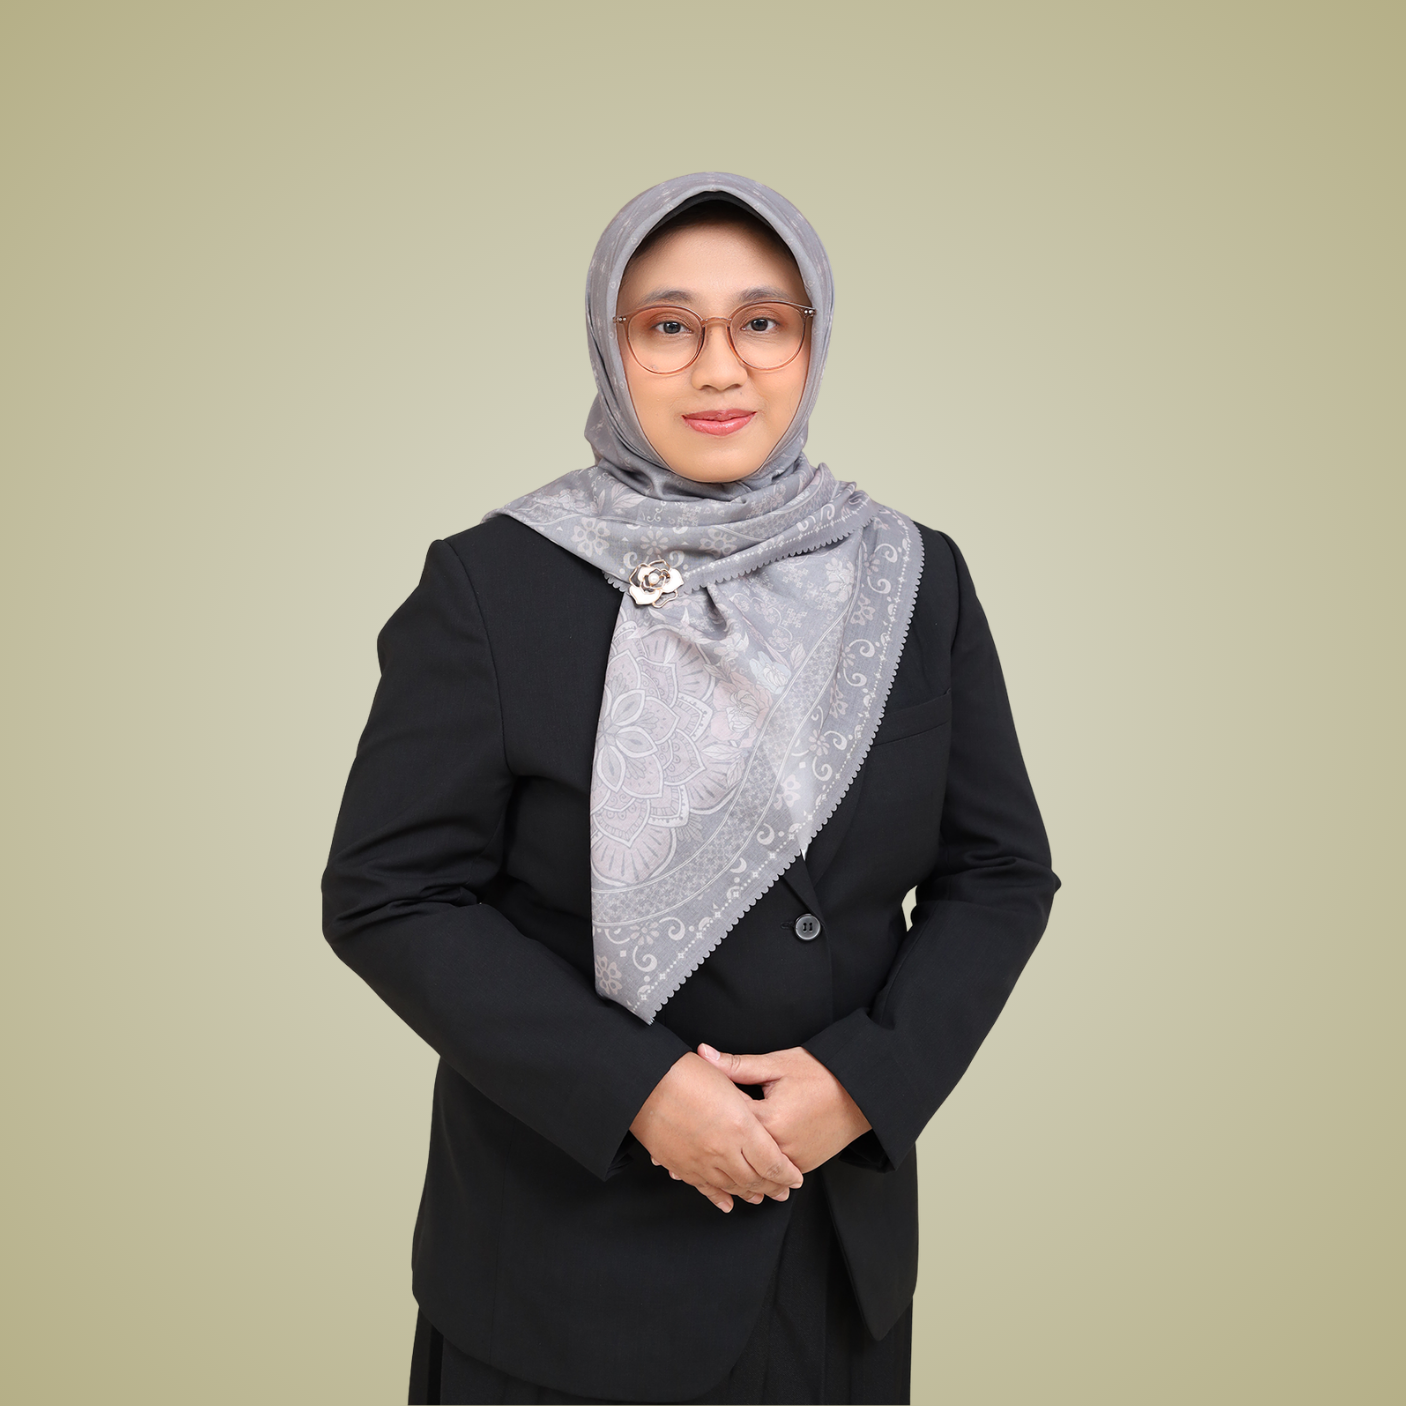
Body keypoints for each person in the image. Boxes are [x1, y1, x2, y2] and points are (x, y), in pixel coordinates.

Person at [322, 172, 1058, 1405]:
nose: (721, 367)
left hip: (828, 1261)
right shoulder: (494, 585)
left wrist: (865, 1082)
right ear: (611, 347)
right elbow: (390, 893)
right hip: (561, 1270)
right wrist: (639, 1093)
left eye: (762, 322)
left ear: (810, 340)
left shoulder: (910, 575)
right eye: (669, 325)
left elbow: (997, 871)